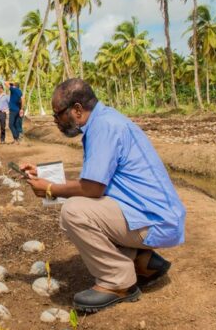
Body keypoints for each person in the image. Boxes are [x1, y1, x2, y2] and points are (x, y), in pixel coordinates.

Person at [23, 78, 185, 313]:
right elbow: (96, 181)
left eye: (58, 114)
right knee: (84, 204)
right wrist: (44, 175)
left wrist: (49, 189)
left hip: (155, 221)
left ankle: (118, 282)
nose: (56, 121)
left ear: (77, 110)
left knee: (74, 212)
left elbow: (92, 189)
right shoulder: (106, 120)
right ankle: (143, 262)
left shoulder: (103, 127)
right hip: (153, 214)